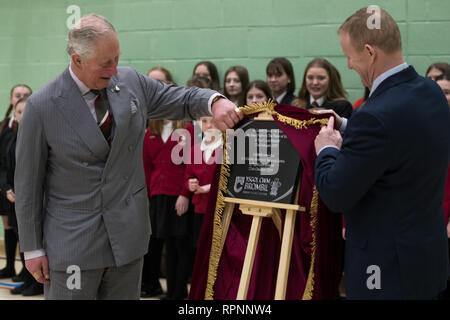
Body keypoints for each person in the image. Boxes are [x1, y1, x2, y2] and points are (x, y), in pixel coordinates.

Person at [14, 14, 242, 300]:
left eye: (117, 58)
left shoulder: (130, 81)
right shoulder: (41, 106)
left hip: (127, 240)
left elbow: (179, 98)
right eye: (105, 62)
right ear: (77, 60)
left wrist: (215, 102)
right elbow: (27, 186)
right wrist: (32, 249)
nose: (115, 68)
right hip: (73, 245)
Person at [314, 7, 449, 299]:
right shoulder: (431, 92)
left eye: (349, 56)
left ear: (369, 52)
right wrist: (348, 127)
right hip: (426, 259)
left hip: (385, 271)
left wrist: (325, 149)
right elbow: (400, 141)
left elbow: (336, 192)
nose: (348, 65)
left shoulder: (375, 116)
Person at [142, 118, 194, 300]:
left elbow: (191, 164)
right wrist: (147, 195)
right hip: (158, 193)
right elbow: (146, 166)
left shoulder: (187, 129)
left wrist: (185, 193)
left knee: (181, 244)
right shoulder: (150, 132)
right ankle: (171, 292)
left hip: (179, 192)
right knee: (167, 243)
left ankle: (180, 292)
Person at [0, 97, 43, 296]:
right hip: (15, 196)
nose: (22, 116)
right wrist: (7, 188)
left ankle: (38, 282)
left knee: (35, 240)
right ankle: (27, 278)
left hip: (33, 197)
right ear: (14, 115)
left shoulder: (39, 136)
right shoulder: (11, 137)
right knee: (22, 238)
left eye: (26, 111)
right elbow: (5, 166)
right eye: (18, 112)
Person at [0, 84, 31, 282]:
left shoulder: (27, 129)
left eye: (25, 96)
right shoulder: (5, 126)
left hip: (22, 189)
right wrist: (5, 187)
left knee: (24, 230)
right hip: (6, 184)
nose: (20, 98)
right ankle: (11, 266)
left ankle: (27, 274)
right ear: (11, 99)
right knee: (10, 226)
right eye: (17, 95)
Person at [184, 116, 222, 249]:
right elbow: (188, 177)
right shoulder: (194, 150)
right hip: (200, 208)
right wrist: (191, 184)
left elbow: (231, 179)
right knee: (200, 248)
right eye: (204, 121)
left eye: (214, 121)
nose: (209, 125)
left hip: (220, 209)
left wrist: (208, 188)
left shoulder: (228, 148)